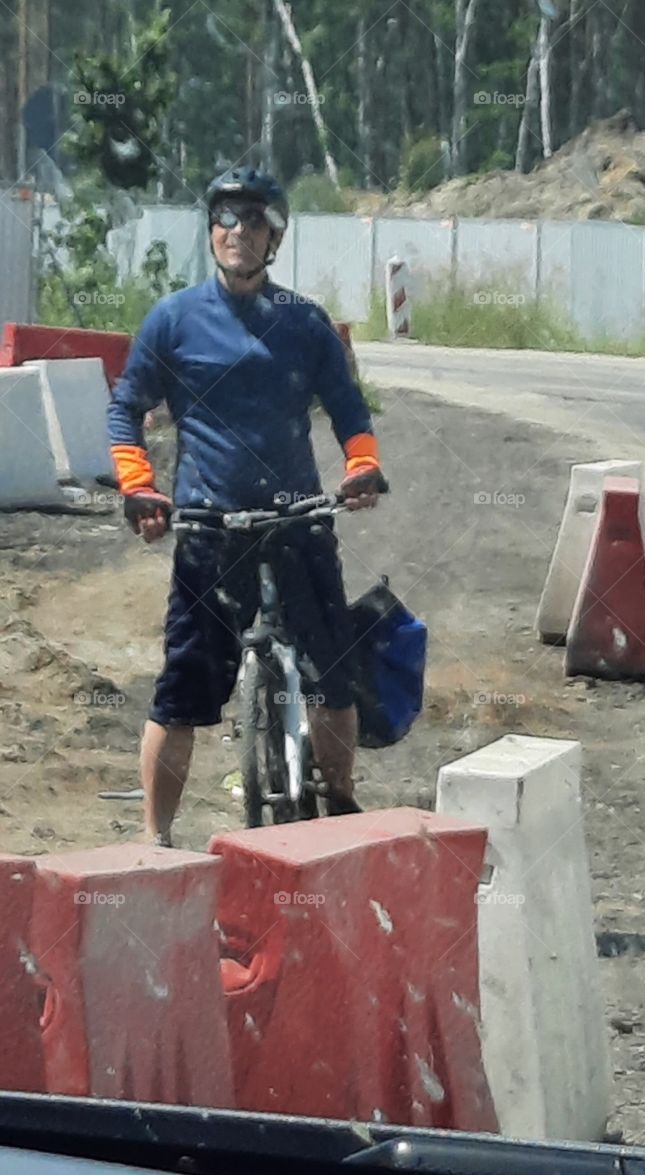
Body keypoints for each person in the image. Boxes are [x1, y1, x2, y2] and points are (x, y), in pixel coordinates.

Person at [107, 166, 385, 846]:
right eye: (226, 217)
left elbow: (349, 409)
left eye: (253, 219)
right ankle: (155, 842)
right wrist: (139, 486)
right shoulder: (173, 320)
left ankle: (340, 807)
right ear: (211, 232)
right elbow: (125, 411)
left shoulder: (305, 323)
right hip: (208, 528)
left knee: (333, 679)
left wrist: (363, 466)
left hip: (298, 524)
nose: (238, 230)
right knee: (180, 694)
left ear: (275, 238)